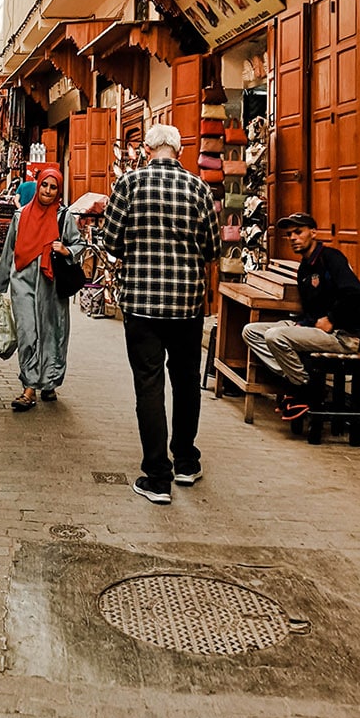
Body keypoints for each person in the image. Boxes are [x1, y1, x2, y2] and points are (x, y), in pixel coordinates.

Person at [101, 124, 222, 505]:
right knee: (186, 382)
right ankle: (185, 460)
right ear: (179, 151)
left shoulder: (129, 185)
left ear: (147, 149)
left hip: (142, 304)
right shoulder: (199, 188)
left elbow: (111, 241)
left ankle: (157, 477)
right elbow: (213, 248)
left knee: (149, 385)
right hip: (186, 304)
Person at [242, 213, 360, 419]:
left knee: (275, 336)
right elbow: (310, 309)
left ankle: (303, 389)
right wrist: (301, 324)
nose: (293, 238)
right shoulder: (305, 268)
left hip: (340, 336)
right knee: (251, 331)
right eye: (289, 234)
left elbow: (354, 291)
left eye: (298, 232)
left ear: (313, 233)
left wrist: (332, 319)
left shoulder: (331, 258)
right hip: (313, 329)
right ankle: (301, 379)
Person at [0, 166, 86, 411]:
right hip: (22, 282)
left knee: (53, 334)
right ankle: (29, 386)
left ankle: (50, 380)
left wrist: (66, 250)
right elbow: (9, 251)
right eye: (45, 185)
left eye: (53, 187)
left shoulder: (63, 217)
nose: (48, 191)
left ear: (58, 191)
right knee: (27, 333)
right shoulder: (21, 216)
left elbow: (79, 244)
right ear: (38, 186)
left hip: (52, 286)